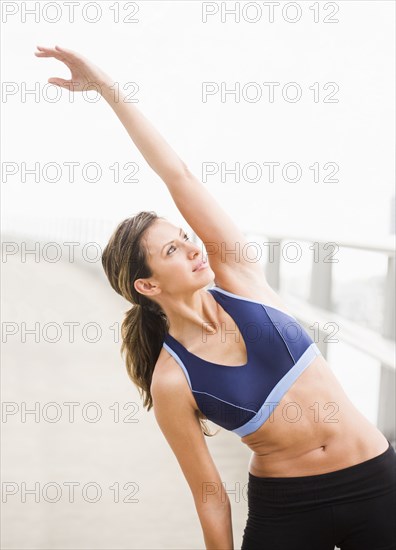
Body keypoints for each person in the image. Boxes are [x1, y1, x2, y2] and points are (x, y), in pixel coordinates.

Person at [35, 45, 396, 550]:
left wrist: (107, 89)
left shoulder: (240, 275)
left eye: (185, 236)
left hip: (374, 483)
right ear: (148, 285)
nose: (192, 248)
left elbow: (177, 174)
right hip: (287, 508)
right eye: (172, 250)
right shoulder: (171, 378)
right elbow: (208, 494)